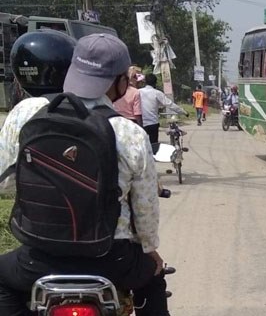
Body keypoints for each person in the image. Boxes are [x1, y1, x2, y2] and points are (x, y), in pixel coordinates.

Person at [0, 33, 169, 316]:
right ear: (121, 81)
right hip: (113, 258)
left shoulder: (26, 113)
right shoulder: (130, 133)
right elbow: (145, 210)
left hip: (39, 257)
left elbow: (5, 182)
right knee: (153, 280)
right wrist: (150, 251)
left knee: (3, 280)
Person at [139, 73, 187, 145]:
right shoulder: (157, 93)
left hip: (140, 124)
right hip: (153, 124)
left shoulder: (138, 92)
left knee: (141, 146)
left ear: (145, 82)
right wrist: (183, 112)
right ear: (155, 82)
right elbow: (169, 104)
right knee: (153, 146)